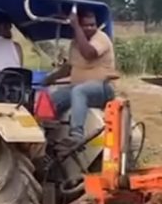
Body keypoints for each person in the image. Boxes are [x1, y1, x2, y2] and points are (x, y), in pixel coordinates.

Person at [43, 9, 118, 147]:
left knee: (79, 91)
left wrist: (76, 26)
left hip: (103, 88)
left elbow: (89, 53)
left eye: (93, 25)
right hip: (79, 88)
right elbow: (69, 68)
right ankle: (46, 138)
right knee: (52, 99)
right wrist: (49, 79)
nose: (90, 28)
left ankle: (77, 135)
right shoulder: (76, 43)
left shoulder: (101, 38)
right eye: (86, 25)